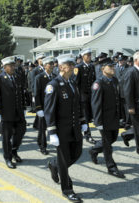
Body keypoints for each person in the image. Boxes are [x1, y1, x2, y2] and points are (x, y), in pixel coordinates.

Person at [44, 54, 87, 203]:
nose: (73, 66)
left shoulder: (72, 83)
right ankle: (67, 190)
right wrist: (52, 132)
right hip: (61, 130)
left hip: (74, 127)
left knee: (77, 152)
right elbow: (49, 110)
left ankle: (54, 164)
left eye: (73, 64)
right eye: (70, 64)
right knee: (64, 160)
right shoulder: (53, 85)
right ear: (61, 67)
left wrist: (83, 121)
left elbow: (78, 105)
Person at [89, 58, 125, 178]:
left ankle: (94, 150)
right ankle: (111, 167)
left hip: (114, 117)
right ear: (103, 69)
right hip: (103, 119)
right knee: (107, 145)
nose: (113, 68)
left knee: (112, 139)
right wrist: (98, 121)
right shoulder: (98, 83)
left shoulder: (114, 80)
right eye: (110, 67)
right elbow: (96, 104)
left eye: (113, 66)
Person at [0, 56, 26, 169]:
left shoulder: (17, 77)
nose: (13, 67)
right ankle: (8, 158)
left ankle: (14, 150)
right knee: (6, 137)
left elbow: (20, 94)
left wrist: (23, 107)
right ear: (4, 67)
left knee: (21, 131)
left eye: (13, 65)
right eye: (10, 66)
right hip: (6, 113)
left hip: (18, 112)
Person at [34, 56, 56, 155]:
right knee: (43, 128)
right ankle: (43, 146)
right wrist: (38, 108)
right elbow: (36, 93)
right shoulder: (39, 77)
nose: (52, 66)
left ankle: (40, 141)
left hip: (53, 106)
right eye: (50, 64)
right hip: (43, 106)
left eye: (52, 64)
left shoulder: (55, 76)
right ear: (45, 65)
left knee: (52, 126)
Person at [76, 48, 96, 144]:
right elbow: (76, 83)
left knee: (88, 116)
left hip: (91, 95)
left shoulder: (92, 66)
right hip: (82, 96)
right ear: (83, 56)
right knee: (85, 117)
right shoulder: (78, 67)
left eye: (90, 55)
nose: (89, 57)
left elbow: (94, 80)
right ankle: (88, 135)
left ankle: (83, 132)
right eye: (87, 55)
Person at [115, 54, 131, 129]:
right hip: (118, 91)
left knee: (127, 108)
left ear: (125, 61)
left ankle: (128, 122)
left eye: (122, 60)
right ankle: (123, 121)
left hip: (126, 91)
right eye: (119, 60)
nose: (121, 62)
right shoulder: (116, 69)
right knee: (121, 108)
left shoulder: (129, 68)